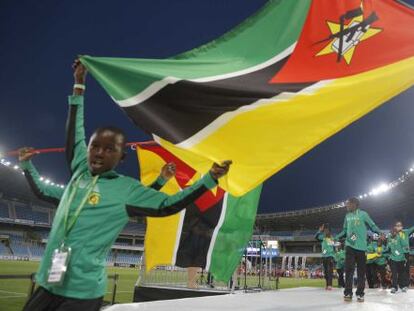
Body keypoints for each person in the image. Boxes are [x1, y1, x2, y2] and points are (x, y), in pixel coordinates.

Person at [21, 59, 232, 311]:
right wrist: (79, 85)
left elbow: (167, 204)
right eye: (95, 146)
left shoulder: (126, 189)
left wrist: (209, 179)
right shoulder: (79, 174)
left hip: (82, 293)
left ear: (121, 157)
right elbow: (71, 140)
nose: (99, 153)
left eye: (109, 149)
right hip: (49, 284)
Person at [335, 197, 382, 302]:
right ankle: (348, 293)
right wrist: (337, 237)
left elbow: (372, 225)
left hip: (361, 247)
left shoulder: (363, 214)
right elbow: (345, 230)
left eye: (348, 204)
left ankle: (360, 294)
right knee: (349, 270)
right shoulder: (347, 216)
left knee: (361, 272)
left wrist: (380, 233)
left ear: (354, 204)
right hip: (349, 246)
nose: (346, 206)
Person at [385, 227, 408, 293]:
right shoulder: (389, 238)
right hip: (393, 259)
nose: (393, 233)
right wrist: (388, 246)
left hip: (401, 259)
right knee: (394, 274)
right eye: (391, 232)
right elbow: (387, 247)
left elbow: (406, 245)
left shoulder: (400, 238)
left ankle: (402, 286)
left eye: (394, 231)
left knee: (401, 274)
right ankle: (394, 287)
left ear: (397, 232)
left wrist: (403, 250)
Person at [315, 224, 335, 290]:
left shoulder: (331, 238)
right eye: (324, 230)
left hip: (330, 256)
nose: (325, 231)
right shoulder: (323, 237)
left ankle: (330, 285)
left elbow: (332, 246)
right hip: (324, 256)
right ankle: (327, 284)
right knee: (326, 271)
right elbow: (316, 237)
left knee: (329, 271)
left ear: (329, 231)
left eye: (327, 230)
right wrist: (319, 231)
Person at [395, 221, 414, 290]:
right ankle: (401, 284)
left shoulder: (406, 232)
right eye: (397, 225)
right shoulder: (394, 235)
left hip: (405, 253)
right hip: (398, 254)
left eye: (400, 225)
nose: (398, 227)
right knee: (399, 270)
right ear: (395, 227)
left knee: (406, 269)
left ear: (402, 227)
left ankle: (406, 284)